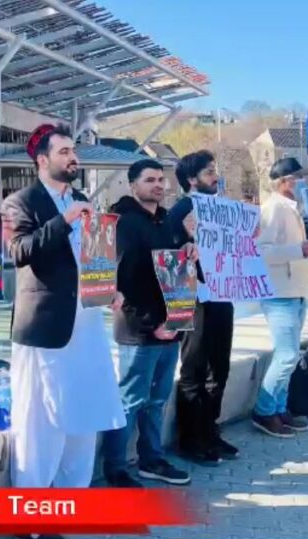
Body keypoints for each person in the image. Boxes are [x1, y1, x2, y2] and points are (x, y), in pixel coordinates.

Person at [2, 124, 126, 539]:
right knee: (41, 422)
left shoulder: (83, 201)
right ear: (42, 159)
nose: (74, 158)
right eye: (66, 151)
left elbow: (92, 259)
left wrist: (109, 288)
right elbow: (18, 253)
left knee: (83, 414)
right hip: (45, 329)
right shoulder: (20, 202)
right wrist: (62, 221)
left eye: (74, 151)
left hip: (88, 324)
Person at [100, 158, 192, 487]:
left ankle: (152, 459)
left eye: (161, 180)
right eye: (150, 179)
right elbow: (121, 283)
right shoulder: (122, 222)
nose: (158, 185)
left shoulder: (166, 221)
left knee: (157, 400)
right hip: (139, 330)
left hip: (170, 327)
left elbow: (177, 270)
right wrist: (151, 323)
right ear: (133, 184)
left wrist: (190, 250)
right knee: (129, 401)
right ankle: (116, 466)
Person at [166, 150, 237, 465]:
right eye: (209, 172)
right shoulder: (181, 210)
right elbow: (169, 256)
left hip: (221, 293)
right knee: (194, 368)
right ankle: (190, 438)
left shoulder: (221, 208)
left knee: (219, 367)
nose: (216, 176)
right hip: (194, 297)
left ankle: (210, 430)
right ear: (192, 179)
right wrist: (191, 237)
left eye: (215, 170)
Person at [253, 158, 308, 438]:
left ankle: (279, 409)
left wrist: (306, 251)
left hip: (295, 290)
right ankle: (264, 410)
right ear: (285, 182)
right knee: (287, 355)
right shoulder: (272, 209)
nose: (304, 182)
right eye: (300, 177)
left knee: (289, 357)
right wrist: (299, 250)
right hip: (279, 291)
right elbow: (260, 251)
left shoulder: (290, 208)